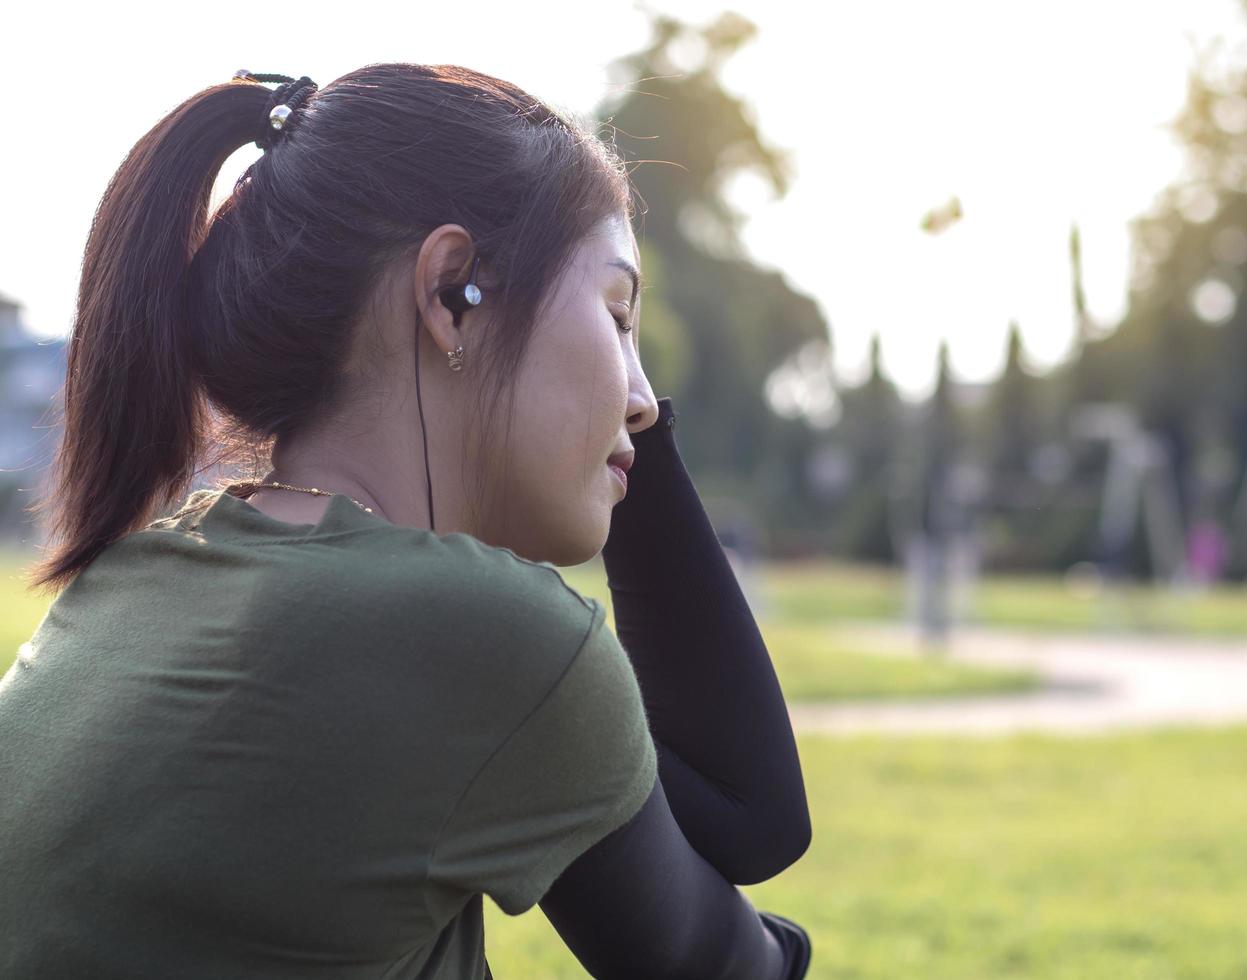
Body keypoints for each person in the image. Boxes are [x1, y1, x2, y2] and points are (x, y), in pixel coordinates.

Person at [0, 65, 812, 978]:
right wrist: (621, 438)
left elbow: (745, 821)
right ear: (450, 289)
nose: (642, 398)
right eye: (617, 314)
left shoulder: (138, 579)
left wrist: (613, 428)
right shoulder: (477, 635)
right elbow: (727, 962)